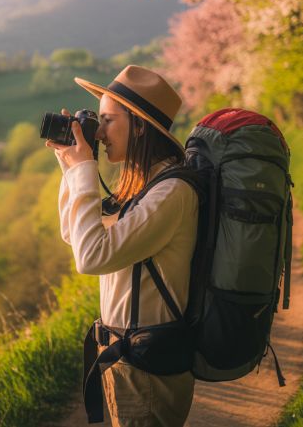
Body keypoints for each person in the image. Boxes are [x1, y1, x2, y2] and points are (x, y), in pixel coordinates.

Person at [45, 65, 199, 427]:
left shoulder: (169, 193)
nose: (98, 133)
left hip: (146, 368)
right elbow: (76, 235)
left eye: (108, 120)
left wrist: (85, 169)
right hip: (128, 361)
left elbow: (90, 257)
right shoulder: (145, 186)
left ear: (140, 126)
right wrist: (71, 167)